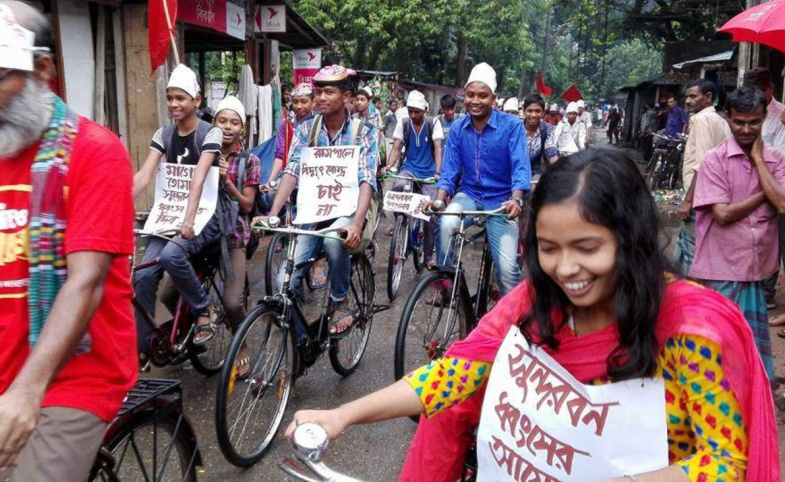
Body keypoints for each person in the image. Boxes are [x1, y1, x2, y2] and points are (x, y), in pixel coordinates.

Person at [286, 150, 780, 482]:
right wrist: (340, 416)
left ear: (629, 240)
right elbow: (452, 375)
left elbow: (724, 461)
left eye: (587, 248)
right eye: (548, 249)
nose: (566, 270)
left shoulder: (691, 328)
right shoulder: (532, 300)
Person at [0, 1, 138, 478]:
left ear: (42, 69)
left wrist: (26, 391)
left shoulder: (96, 153)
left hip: (75, 371)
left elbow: (85, 282)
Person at [262, 65, 379, 336]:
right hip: (312, 212)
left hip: (349, 211)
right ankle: (300, 345)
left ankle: (341, 300)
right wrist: (273, 212)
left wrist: (357, 223)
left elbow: (367, 179)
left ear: (346, 96)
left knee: (333, 239)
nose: (322, 98)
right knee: (284, 284)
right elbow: (292, 170)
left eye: (329, 92)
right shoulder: (306, 130)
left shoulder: (363, 132)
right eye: (319, 92)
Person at [689, 86, 785, 380]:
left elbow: (781, 203)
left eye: (754, 122)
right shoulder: (716, 160)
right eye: (739, 122)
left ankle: (752, 414)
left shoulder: (775, 159)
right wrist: (763, 193)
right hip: (721, 269)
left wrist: (757, 161)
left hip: (755, 271)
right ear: (728, 118)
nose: (746, 129)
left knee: (751, 359)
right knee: (715, 357)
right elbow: (723, 213)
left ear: (764, 118)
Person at [132, 65, 228, 350]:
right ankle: (144, 346)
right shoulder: (163, 135)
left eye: (181, 98)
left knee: (172, 255)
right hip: (169, 214)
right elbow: (144, 174)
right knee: (142, 273)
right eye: (170, 97)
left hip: (204, 215)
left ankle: (203, 309)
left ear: (196, 101)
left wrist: (188, 220)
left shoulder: (211, 134)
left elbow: (199, 178)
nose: (174, 104)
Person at [429, 62, 530, 299]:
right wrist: (439, 199)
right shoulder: (457, 128)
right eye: (470, 95)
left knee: (506, 269)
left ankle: (513, 323)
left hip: (502, 201)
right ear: (464, 96)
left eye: (482, 96)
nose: (475, 101)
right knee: (444, 224)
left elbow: (520, 167)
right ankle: (446, 284)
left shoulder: (513, 126)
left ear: (494, 99)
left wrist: (516, 199)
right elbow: (450, 169)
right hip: (468, 195)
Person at [182, 95, 259, 373]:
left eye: (234, 123)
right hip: (201, 233)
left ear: (242, 129)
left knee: (231, 302)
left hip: (233, 236)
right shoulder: (201, 152)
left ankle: (242, 345)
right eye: (222, 121)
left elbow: (247, 206)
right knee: (169, 289)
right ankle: (198, 323)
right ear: (213, 124)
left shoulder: (249, 160)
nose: (227, 127)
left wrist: (227, 180)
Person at [673, 79, 731, 277]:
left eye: (693, 96)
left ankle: (692, 297)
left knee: (692, 252)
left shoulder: (702, 121)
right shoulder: (718, 120)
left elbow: (703, 164)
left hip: (700, 198)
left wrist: (688, 201)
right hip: (714, 196)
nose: (688, 101)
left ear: (707, 98)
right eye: (687, 97)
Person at [383, 90, 444, 267]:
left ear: (425, 110)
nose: (413, 115)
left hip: (429, 173)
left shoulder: (434, 123)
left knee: (431, 216)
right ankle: (400, 223)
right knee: (398, 187)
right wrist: (389, 165)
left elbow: (438, 148)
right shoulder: (404, 124)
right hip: (409, 169)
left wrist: (438, 173)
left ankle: (427, 256)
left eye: (417, 111)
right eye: (410, 111)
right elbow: (396, 148)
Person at [743, 68, 785, 314]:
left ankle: (767, 292)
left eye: (759, 91)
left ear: (770, 88)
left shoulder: (780, 116)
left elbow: (780, 156)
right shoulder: (748, 111)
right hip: (752, 185)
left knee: (776, 241)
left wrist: (758, 158)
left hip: (776, 186)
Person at [266, 83, 314, 190]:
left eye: (304, 102)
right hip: (289, 172)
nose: (299, 106)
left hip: (312, 173)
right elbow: (280, 155)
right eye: (295, 102)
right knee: (271, 195)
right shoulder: (286, 123)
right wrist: (270, 182)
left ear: (313, 103)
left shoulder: (318, 123)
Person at [521, 94, 559, 178]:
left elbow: (551, 150)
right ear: (524, 111)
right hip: (513, 170)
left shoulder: (547, 128)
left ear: (543, 112)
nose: (533, 115)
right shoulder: (516, 128)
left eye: (537, 111)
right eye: (529, 111)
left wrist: (559, 166)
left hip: (535, 171)